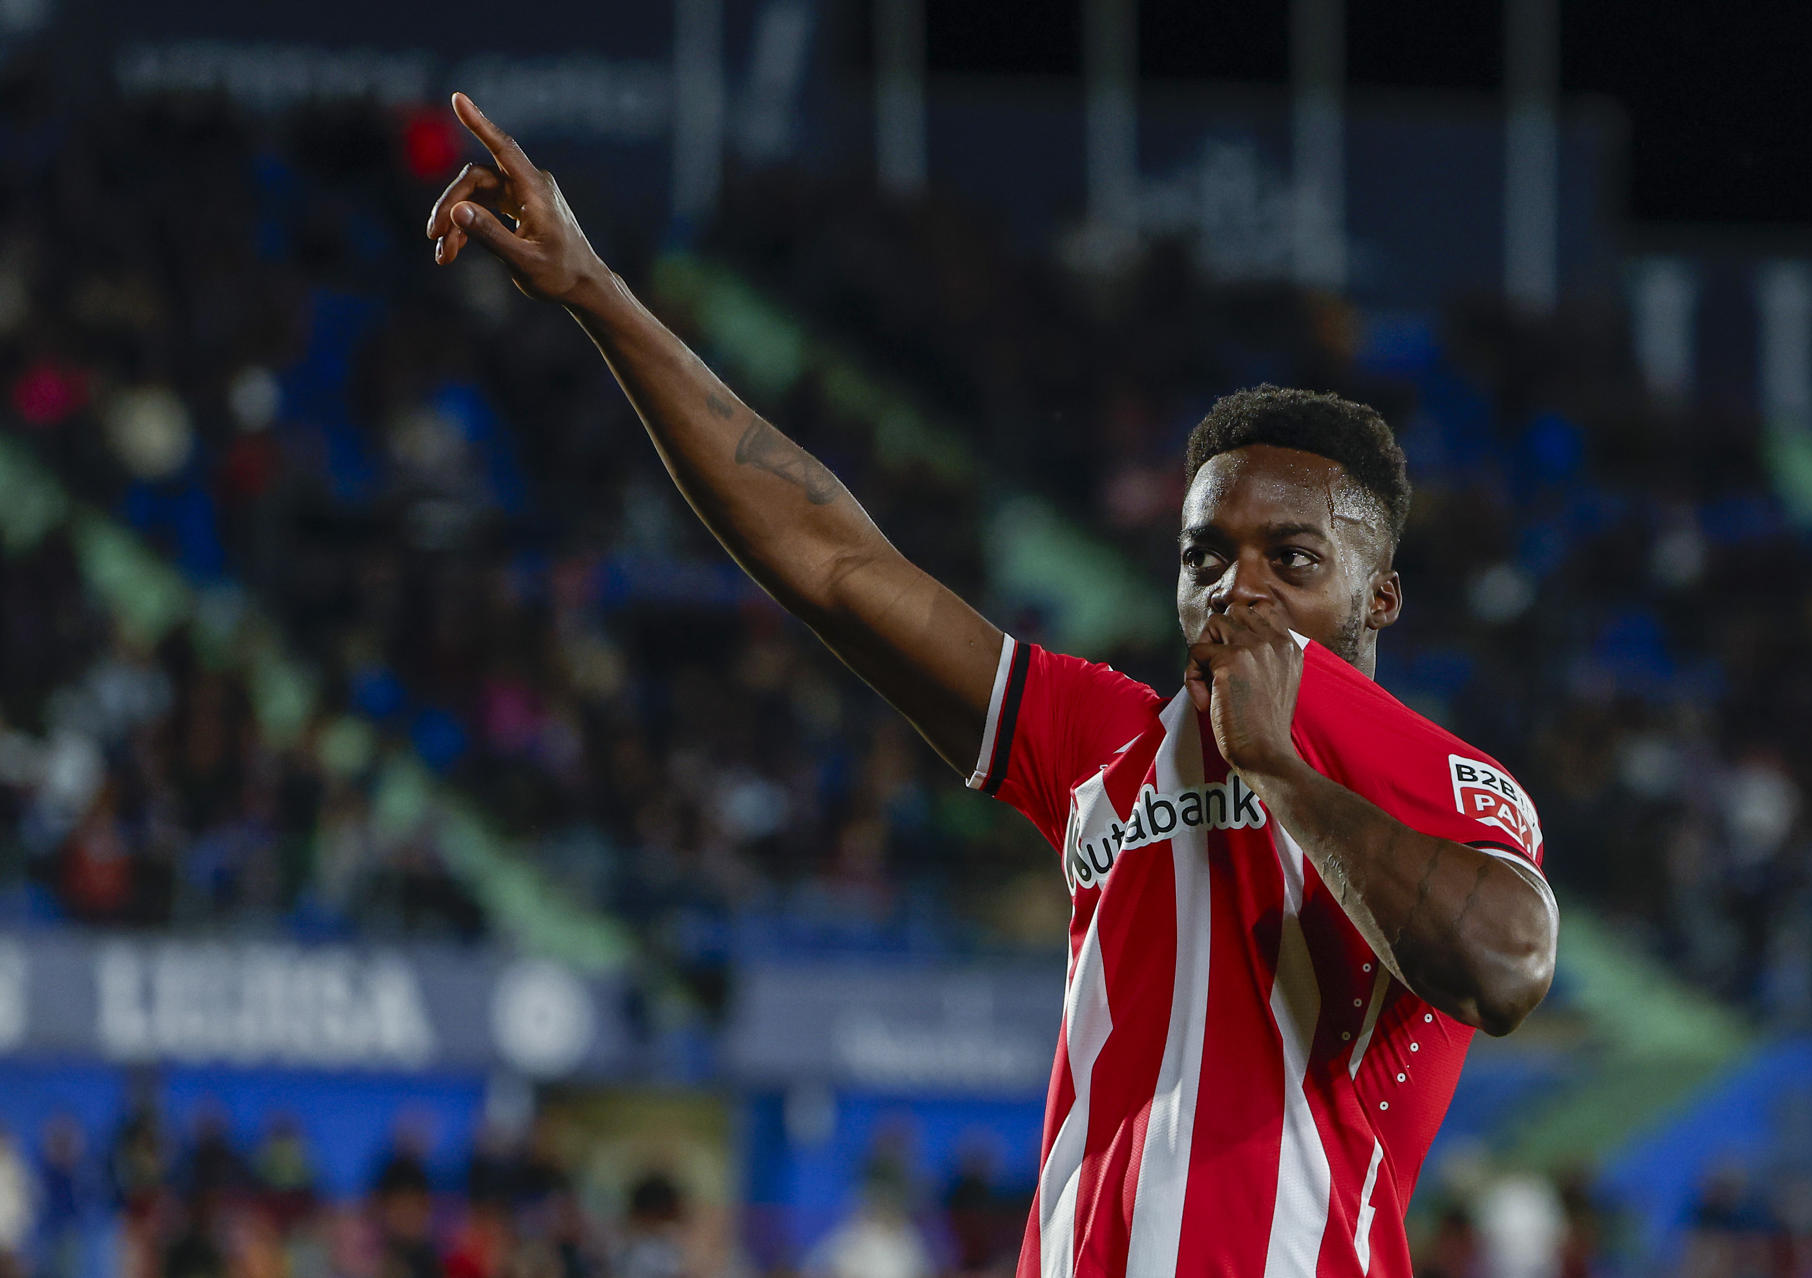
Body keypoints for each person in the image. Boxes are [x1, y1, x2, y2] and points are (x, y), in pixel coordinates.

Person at [426, 92, 1558, 1278]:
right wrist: (598, 293)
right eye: (1205, 556)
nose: (1239, 589)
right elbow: (836, 564)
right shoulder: (1103, 742)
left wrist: (1277, 760)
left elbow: (1507, 970)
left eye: (1295, 558)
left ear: (1379, 596)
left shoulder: (1447, 781)